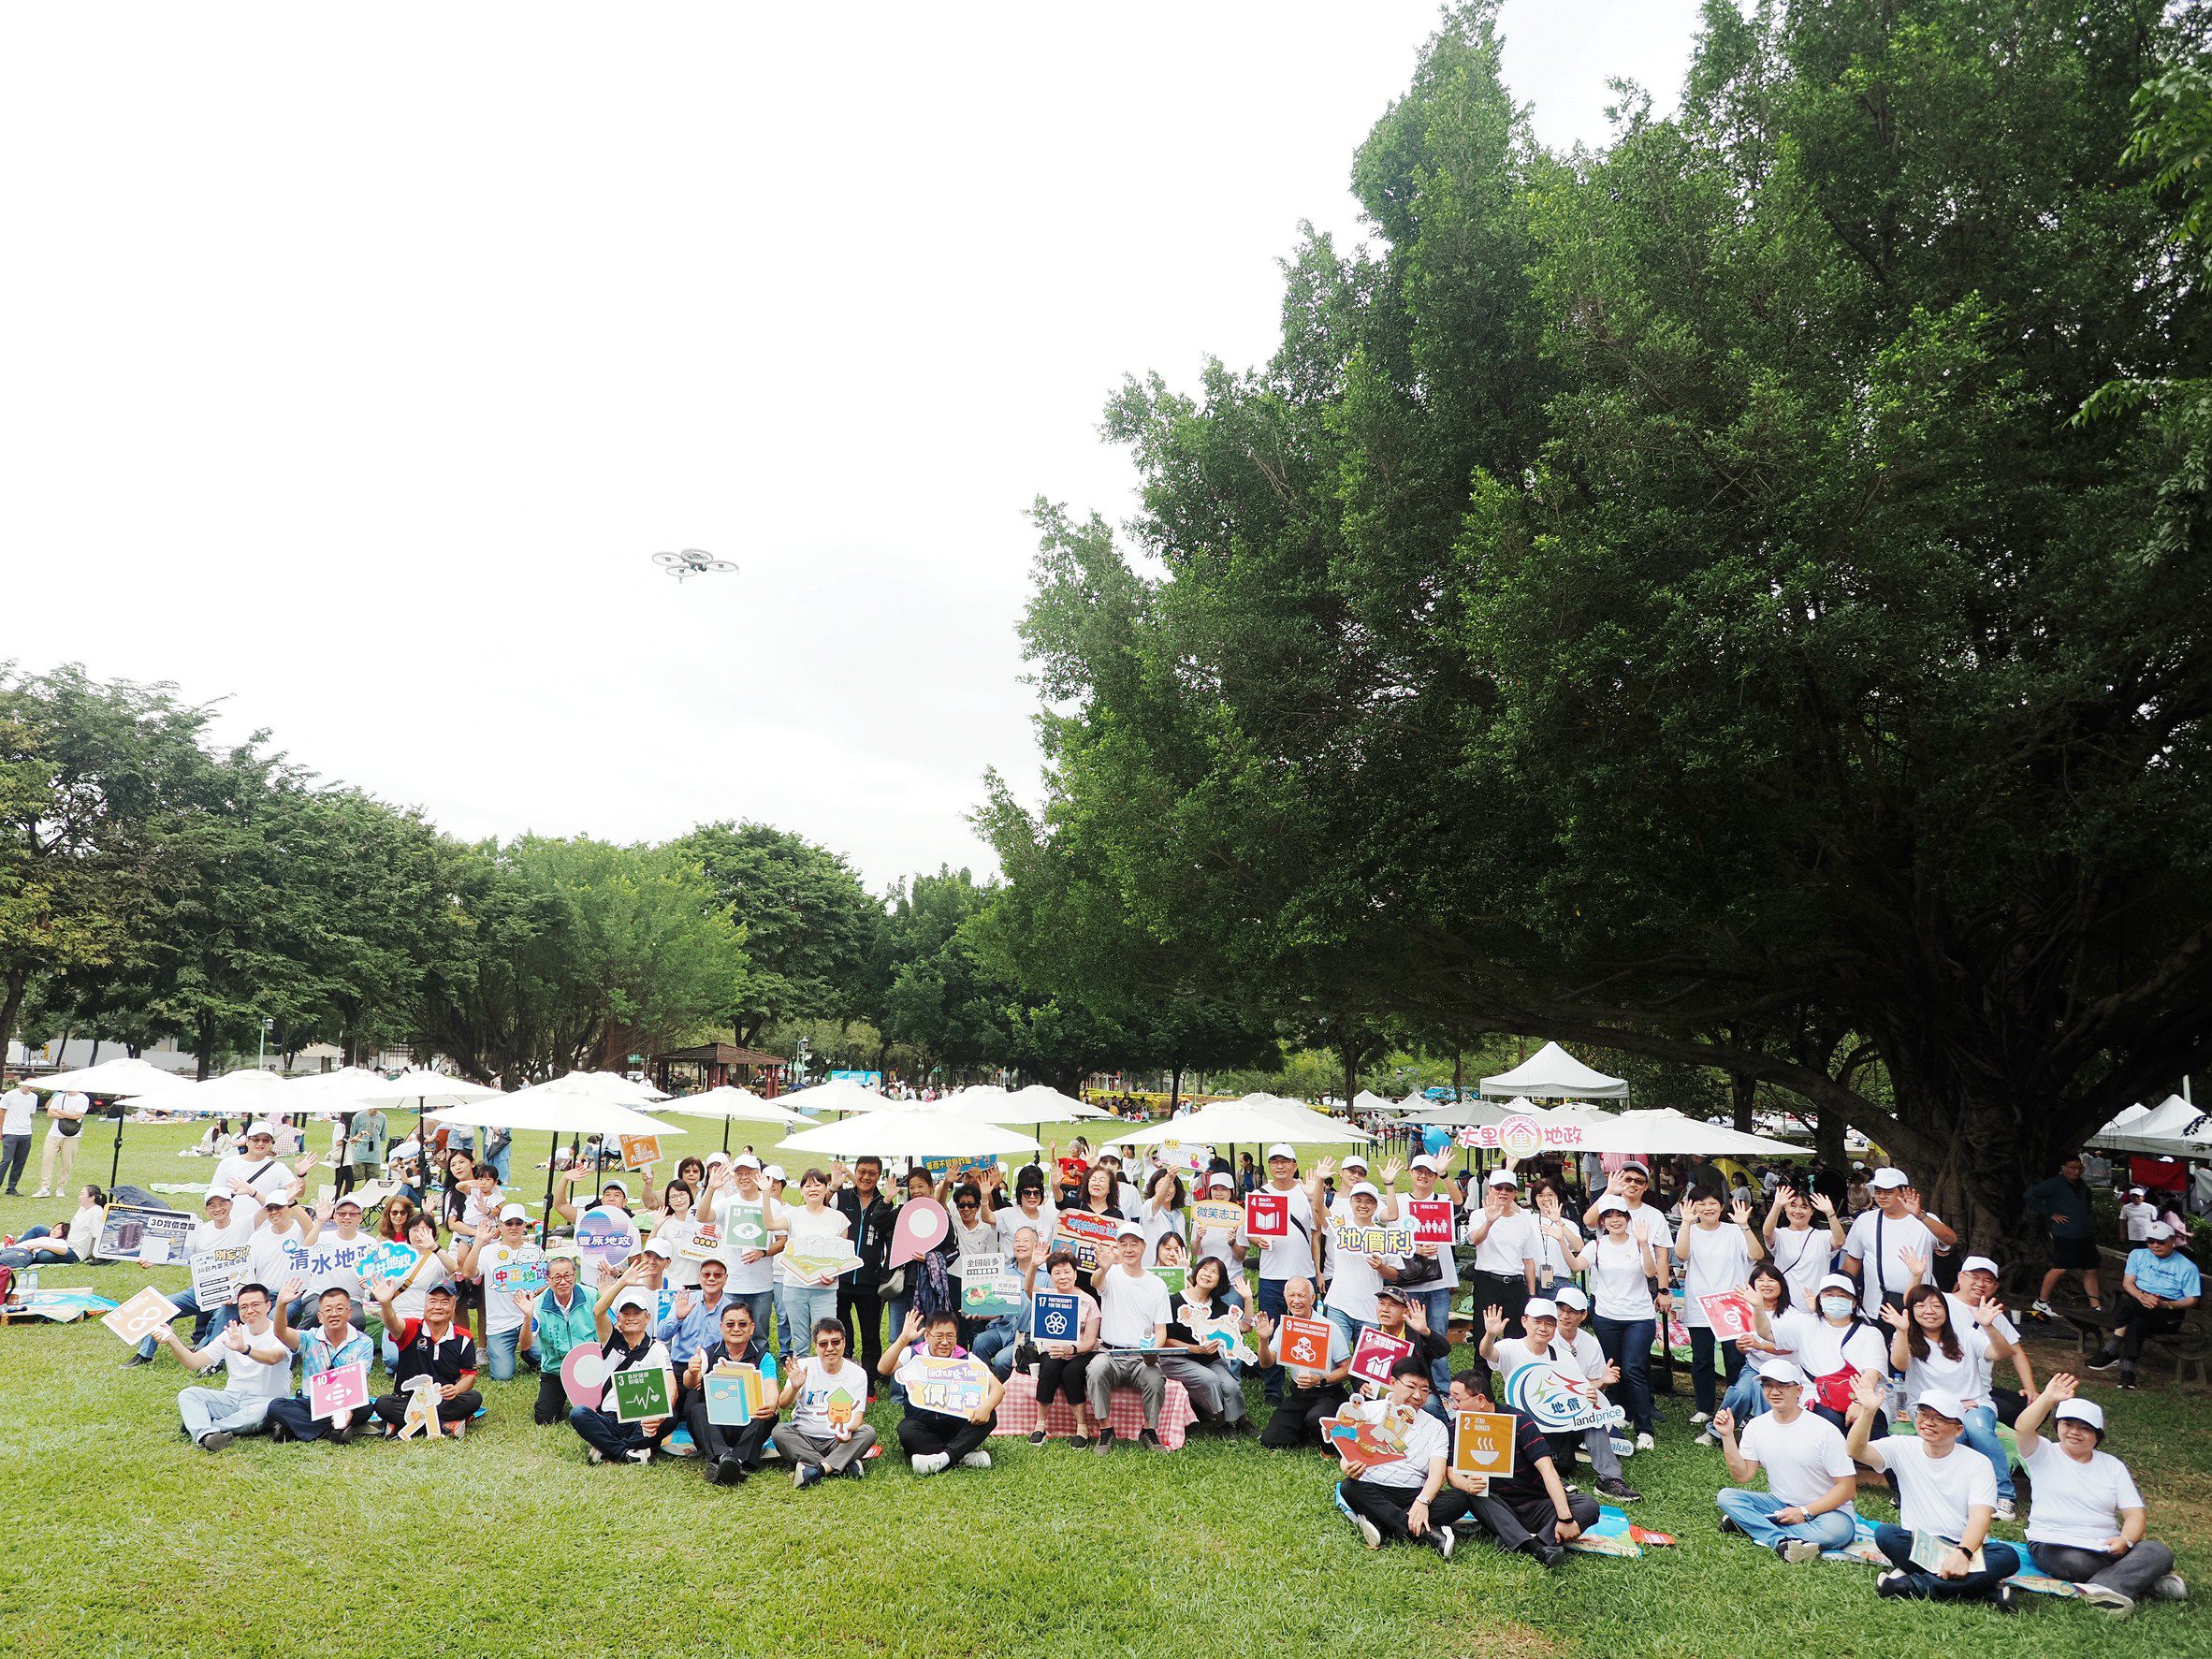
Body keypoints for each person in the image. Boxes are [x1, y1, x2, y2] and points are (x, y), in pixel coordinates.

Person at [2015, 1373, 2190, 1617]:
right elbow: (2023, 1427)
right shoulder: (2042, 1452)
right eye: (2067, 1425)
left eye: (2084, 1428)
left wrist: (2125, 1541)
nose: (2074, 1432)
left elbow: (2135, 1514)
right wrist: (2048, 1398)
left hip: (2106, 1548)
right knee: (2075, 1563)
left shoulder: (2112, 1465)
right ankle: (2143, 1584)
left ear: (2097, 1436)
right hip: (2054, 1544)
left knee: (2158, 1552)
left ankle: (2104, 1586)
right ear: (2058, 1427)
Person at [1842, 1375, 2020, 1608]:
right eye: (1923, 1415)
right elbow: (1855, 1450)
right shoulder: (1901, 1446)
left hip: (1965, 1545)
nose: (1928, 1422)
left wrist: (1963, 1553)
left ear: (1958, 1430)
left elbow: (1980, 1516)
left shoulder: (1978, 1463)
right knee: (1886, 1535)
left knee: (2007, 1556)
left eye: (1939, 1418)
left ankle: (1910, 1585)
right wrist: (1867, 1412)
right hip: (1920, 1544)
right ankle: (1984, 1589)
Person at [1443, 1371, 1598, 1567]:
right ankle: (1537, 1548)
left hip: (1537, 1504)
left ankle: (1519, 1540)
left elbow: (1547, 1469)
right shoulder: (1456, 1427)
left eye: (1457, 1400)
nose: (1453, 1406)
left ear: (1480, 1399)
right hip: (1497, 1505)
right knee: (1471, 1495)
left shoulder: (1518, 1420)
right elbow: (1450, 1472)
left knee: (1588, 1505)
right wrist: (1466, 1484)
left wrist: (1565, 1519)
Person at [1712, 1360, 1859, 1562]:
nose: (1774, 1392)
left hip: (1828, 1511)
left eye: (1782, 1385)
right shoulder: (1755, 1427)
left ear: (1799, 1391)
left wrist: (1804, 1512)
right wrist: (1727, 1436)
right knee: (1726, 1496)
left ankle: (1750, 1526)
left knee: (1836, 1532)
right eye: (1768, 1385)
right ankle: (1781, 1540)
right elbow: (1743, 1475)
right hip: (1780, 1504)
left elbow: (1847, 1489)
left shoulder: (1824, 1430)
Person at [1331, 1358, 1461, 1555]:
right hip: (1373, 1487)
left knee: (1461, 1498)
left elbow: (1437, 1474)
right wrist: (1347, 1467)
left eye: (1424, 1390)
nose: (1417, 1395)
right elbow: (1348, 1455)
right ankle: (1424, 1532)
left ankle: (1381, 1522)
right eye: (1411, 1387)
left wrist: (1422, 1502)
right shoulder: (1368, 1411)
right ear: (1393, 1383)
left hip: (1414, 1493)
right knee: (1349, 1488)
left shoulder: (1436, 1427)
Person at [1565, 1195, 1665, 1450]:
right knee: (1614, 1367)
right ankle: (1623, 1413)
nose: (1614, 1220)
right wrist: (1559, 1237)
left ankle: (1645, 1429)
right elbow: (1576, 1266)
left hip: (1639, 1316)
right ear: (1602, 1222)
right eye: (1608, 1216)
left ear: (1628, 1219)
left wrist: (1644, 1244)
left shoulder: (1639, 1243)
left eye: (1619, 1215)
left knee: (1633, 1368)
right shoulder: (1596, 1246)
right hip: (1607, 1316)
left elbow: (1651, 1272)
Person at [152, 1279, 293, 1450]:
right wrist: (173, 1340)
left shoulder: (281, 1333)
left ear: (268, 1305)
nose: (249, 1311)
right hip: (232, 1398)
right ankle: (207, 1436)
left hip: (266, 1401)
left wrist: (245, 1349)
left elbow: (273, 1358)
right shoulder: (231, 1334)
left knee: (260, 1413)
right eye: (243, 1307)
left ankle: (206, 1425)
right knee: (189, 1394)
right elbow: (193, 1362)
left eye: (255, 1305)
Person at [126, 1186, 256, 1367]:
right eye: (212, 1205)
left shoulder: (244, 1224)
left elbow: (270, 1209)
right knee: (163, 1305)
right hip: (201, 1291)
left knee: (223, 1316)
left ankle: (208, 1359)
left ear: (231, 1205)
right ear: (206, 1210)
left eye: (222, 1203)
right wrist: (154, 1261)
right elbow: (179, 1255)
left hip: (230, 1296)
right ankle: (145, 1354)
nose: (218, 1209)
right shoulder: (200, 1231)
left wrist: (253, 1192)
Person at [1676, 1189, 1766, 1440]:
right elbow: (1681, 1255)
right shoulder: (1690, 1231)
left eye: (1713, 1203)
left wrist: (1745, 1226)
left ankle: (1737, 1409)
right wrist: (1685, 1224)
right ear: (1693, 1208)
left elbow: (1757, 1256)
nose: (1708, 1208)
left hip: (1731, 1305)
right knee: (1701, 1359)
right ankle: (1704, 1407)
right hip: (1700, 1304)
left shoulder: (1734, 1231)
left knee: (1735, 1359)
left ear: (1722, 1206)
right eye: (1702, 1203)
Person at [880, 1307, 1006, 1473]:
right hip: (923, 1424)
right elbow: (884, 1368)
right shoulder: (913, 1354)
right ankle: (962, 1455)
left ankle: (940, 1459)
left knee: (990, 1417)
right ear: (927, 1336)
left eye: (950, 1336)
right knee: (906, 1430)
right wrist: (903, 1339)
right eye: (939, 1336)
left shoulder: (966, 1358)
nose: (945, 1342)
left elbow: (998, 1389)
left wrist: (986, 1408)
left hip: (957, 1424)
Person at [567, 1274, 676, 1464]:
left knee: (671, 1417)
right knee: (578, 1414)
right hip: (609, 1418)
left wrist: (659, 1416)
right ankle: (628, 1453)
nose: (631, 1318)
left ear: (647, 1317)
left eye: (637, 1313)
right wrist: (622, 1282)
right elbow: (598, 1311)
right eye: (626, 1314)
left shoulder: (657, 1348)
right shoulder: (611, 1340)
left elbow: (670, 1384)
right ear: (618, 1319)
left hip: (640, 1420)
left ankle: (607, 1449)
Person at [1085, 1219, 1171, 1452]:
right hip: (1110, 1353)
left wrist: (1153, 1351)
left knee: (1155, 1379)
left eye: (1134, 1244)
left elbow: (1160, 1329)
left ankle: (1149, 1430)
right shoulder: (1111, 1274)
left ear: (1144, 1246)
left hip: (1141, 1357)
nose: (1129, 1249)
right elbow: (1095, 1282)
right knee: (1096, 1369)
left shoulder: (1157, 1284)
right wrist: (1103, 1268)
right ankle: (1105, 1429)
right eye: (1123, 1244)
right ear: (1117, 1248)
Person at [2088, 1219, 2203, 1389]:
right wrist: (2142, 1297)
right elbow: (2128, 1283)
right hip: (2140, 1301)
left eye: (2161, 1241)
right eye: (2150, 1241)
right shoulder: (2137, 1255)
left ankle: (2111, 1349)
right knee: (2136, 1321)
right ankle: (2128, 1372)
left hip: (2168, 1311)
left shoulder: (2187, 1267)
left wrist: (2165, 1304)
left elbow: (2192, 1300)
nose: (2155, 1245)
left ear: (2172, 1240)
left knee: (2129, 1307)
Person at [1776, 1272, 1891, 1435]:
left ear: (1854, 1302)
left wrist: (1860, 1403)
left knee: (1869, 1428)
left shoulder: (1870, 1333)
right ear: (1820, 1299)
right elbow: (1767, 1333)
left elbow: (1871, 1374)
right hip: (1818, 1397)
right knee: (1829, 1425)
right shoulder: (1806, 1324)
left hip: (1862, 1397)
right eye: (1828, 1295)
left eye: (1842, 1296)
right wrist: (1758, 1307)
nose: (1835, 1300)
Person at [1251, 1143, 1320, 1406]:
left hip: (1303, 1273)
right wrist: (1257, 1240)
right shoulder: (1260, 1194)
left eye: (1285, 1161)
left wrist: (1318, 1271)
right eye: (1275, 1162)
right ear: (1270, 1166)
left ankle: (1305, 1380)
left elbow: (1318, 1230)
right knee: (1271, 1330)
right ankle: (1273, 1387)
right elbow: (1251, 1232)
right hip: (1271, 1275)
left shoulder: (1305, 1192)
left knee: (1306, 1330)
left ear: (1294, 1165)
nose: (1280, 1166)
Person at [369, 1279, 480, 1439]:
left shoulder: (464, 1337)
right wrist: (386, 1304)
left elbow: (469, 1375)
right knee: (383, 1403)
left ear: (454, 1306)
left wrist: (456, 1389)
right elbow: (392, 1324)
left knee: (474, 1398)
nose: (438, 1307)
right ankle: (446, 1425)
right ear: (425, 1304)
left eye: (445, 1302)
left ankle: (405, 1425)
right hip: (410, 1401)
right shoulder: (412, 1328)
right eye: (433, 1301)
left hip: (442, 1400)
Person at [773, 1317, 879, 1487]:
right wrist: (794, 1387)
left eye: (835, 1342)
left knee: (868, 1432)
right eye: (823, 1344)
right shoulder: (803, 1366)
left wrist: (849, 1430)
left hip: (838, 1441)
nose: (830, 1348)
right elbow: (783, 1404)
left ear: (844, 1342)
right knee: (779, 1431)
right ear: (815, 1346)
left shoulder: (858, 1373)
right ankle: (842, 1465)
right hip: (804, 1438)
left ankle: (817, 1470)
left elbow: (858, 1418)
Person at [267, 1283, 377, 1444]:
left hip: (346, 1402)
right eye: (328, 1310)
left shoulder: (364, 1342)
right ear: (319, 1317)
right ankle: (332, 1432)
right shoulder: (308, 1338)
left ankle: (293, 1428)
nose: (334, 1314)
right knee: (275, 1406)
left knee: (366, 1408)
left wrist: (348, 1409)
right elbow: (280, 1333)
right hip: (312, 1402)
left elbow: (360, 1380)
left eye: (340, 1309)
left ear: (349, 1313)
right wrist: (281, 1305)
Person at [681, 1301, 778, 1483]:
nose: (736, 1329)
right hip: (716, 1425)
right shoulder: (708, 1353)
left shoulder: (764, 1357)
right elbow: (689, 1383)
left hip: (748, 1423)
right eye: (730, 1324)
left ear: (752, 1328)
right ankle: (725, 1457)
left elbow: (770, 1385)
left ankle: (732, 1461)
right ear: (721, 1328)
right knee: (697, 1410)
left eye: (742, 1324)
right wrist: (692, 1372)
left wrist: (771, 1404)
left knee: (770, 1415)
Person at [1841, 1167, 1956, 1320]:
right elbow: (1853, 1259)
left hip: (1920, 1305)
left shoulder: (1925, 1220)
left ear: (1903, 1192)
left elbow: (1950, 1240)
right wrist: (1844, 1292)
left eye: (1888, 1192)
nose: (1881, 1196)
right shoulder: (1865, 1221)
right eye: (1878, 1191)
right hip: (1876, 1305)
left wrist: (1921, 1216)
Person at [1156, 1254, 1251, 1435]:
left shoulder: (1217, 1306)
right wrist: (1197, 1349)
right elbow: (1165, 1340)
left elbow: (1245, 1327)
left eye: (1214, 1272)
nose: (1207, 1274)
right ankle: (1222, 1422)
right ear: (1196, 1272)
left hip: (1209, 1359)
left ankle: (1242, 1420)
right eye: (1204, 1269)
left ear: (1219, 1282)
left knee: (1231, 1386)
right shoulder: (1174, 1301)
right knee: (1210, 1379)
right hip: (1176, 1359)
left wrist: (1247, 1299)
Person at [1254, 1277, 1353, 1448]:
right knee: (1271, 1440)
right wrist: (1263, 1340)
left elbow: (1348, 1368)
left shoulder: (1329, 1327)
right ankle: (1304, 1429)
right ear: (1285, 1297)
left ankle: (1315, 1426)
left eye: (1301, 1295)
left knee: (1316, 1419)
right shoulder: (1286, 1326)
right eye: (1291, 1295)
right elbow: (1266, 1363)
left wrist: (1320, 1380)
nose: (1296, 1301)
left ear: (1312, 1298)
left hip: (1328, 1392)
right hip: (1299, 1393)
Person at [1025, 1248, 1103, 1448]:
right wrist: (1033, 1265)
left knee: (1071, 1373)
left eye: (1067, 1272)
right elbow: (1028, 1289)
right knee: (1049, 1368)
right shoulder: (1046, 1296)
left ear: (1075, 1274)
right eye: (1057, 1273)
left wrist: (1072, 1350)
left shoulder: (1088, 1301)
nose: (1062, 1277)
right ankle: (1040, 1426)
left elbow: (1090, 1341)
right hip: (1052, 1351)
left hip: (1081, 1352)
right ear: (1051, 1277)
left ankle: (1082, 1429)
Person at [705, 1155, 787, 1341]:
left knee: (760, 1336)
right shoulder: (727, 1203)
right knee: (730, 1335)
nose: (744, 1177)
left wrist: (763, 1252)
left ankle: (759, 1361)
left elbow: (782, 1240)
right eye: (739, 1173)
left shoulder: (772, 1204)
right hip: (733, 1283)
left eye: (749, 1173)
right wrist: (710, 1188)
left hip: (762, 1285)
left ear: (758, 1174)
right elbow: (703, 1217)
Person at [1315, 1178, 1402, 1354]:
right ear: (1351, 1203)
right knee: (1336, 1356)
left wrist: (1381, 1267)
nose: (1363, 1205)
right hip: (1339, 1305)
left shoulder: (1385, 1236)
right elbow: (1318, 1208)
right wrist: (1319, 1180)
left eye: (1369, 1201)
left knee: (1366, 1361)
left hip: (1370, 1309)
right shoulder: (1340, 1228)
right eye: (1358, 1200)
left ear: (1376, 1206)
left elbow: (1395, 1274)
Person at [1946, 1255, 2034, 1422]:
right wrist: (1917, 1275)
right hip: (1951, 1387)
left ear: (1995, 1286)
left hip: (1982, 1388)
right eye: (1974, 1277)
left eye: (1987, 1280)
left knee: (2034, 1407)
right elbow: (1912, 1303)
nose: (1980, 1284)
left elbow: (2016, 1351)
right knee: (2009, 1412)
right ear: (1960, 1277)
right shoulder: (1941, 1303)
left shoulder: (1994, 1314)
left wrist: (2030, 1389)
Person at [832, 1154, 896, 1378]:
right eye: (862, 1172)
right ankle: (843, 1373)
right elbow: (817, 1212)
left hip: (870, 1281)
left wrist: (887, 1201)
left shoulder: (885, 1202)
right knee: (840, 1330)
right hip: (840, 1277)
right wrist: (832, 1187)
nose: (866, 1177)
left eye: (872, 1173)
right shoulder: (841, 1197)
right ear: (855, 1171)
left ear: (879, 1176)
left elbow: (885, 1230)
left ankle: (870, 1379)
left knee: (870, 1334)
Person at [777, 1168, 851, 1357]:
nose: (813, 1189)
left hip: (825, 1289)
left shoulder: (839, 1218)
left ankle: (826, 1372)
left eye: (818, 1185)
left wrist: (834, 1274)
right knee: (800, 1342)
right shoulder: (793, 1214)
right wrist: (764, 1195)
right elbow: (770, 1224)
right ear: (801, 1190)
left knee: (827, 1338)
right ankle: (802, 1374)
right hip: (795, 1286)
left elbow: (843, 1256)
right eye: (808, 1185)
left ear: (826, 1188)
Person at [518, 1253, 599, 1425]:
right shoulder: (538, 1304)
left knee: (600, 1411)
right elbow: (525, 1345)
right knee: (544, 1419)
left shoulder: (592, 1296)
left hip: (590, 1366)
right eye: (557, 1277)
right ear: (547, 1279)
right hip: (556, 1369)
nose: (563, 1282)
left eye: (568, 1276)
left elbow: (613, 1327)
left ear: (575, 1275)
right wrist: (528, 1317)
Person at [2025, 1153, 2103, 1319]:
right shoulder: (2054, 1184)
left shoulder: (2082, 1185)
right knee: (2060, 1267)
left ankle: (2095, 1306)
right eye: (2072, 1168)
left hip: (2085, 1233)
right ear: (2063, 1168)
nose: (2076, 1171)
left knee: (2090, 1268)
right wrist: (2050, 1214)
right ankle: (2042, 1301)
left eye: (2079, 1168)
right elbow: (2030, 1195)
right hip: (2065, 1234)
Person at [1463, 1170, 1539, 1335]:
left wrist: (1532, 1294)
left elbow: (1528, 1260)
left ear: (1515, 1194)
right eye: (1499, 1188)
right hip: (1488, 1281)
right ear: (1489, 1190)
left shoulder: (1523, 1220)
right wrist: (1489, 1222)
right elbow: (1475, 1239)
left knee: (1517, 1335)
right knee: (1483, 1333)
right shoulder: (1479, 1215)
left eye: (1509, 1189)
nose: (1503, 1192)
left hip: (1515, 1284)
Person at [1763, 1183, 1845, 1312]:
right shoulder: (1780, 1234)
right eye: (1793, 1205)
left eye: (1804, 1207)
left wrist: (1830, 1213)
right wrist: (1777, 1205)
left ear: (1812, 1211)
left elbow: (1840, 1241)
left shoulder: (1823, 1236)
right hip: (1785, 1305)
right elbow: (1767, 1233)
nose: (1798, 1211)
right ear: (1785, 1208)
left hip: (1815, 1306)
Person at [656, 1251, 737, 1372]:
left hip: (716, 1368)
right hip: (682, 1365)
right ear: (699, 1277)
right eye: (706, 1274)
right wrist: (678, 1318)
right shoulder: (685, 1300)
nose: (711, 1278)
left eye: (717, 1275)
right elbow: (662, 1335)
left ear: (726, 1279)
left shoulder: (732, 1309)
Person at [0, 1183, 104, 1268]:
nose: (79, 1197)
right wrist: (58, 1231)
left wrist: (98, 1256)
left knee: (44, 1256)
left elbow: (99, 1236)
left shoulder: (97, 1211)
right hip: (64, 1241)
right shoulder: (83, 1208)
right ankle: (14, 1248)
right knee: (38, 1229)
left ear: (92, 1198)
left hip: (74, 1252)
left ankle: (18, 1255)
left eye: (82, 1194)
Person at [31, 1084, 89, 1199]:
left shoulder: (83, 1098)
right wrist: (68, 1114)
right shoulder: (59, 1097)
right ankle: (44, 1187)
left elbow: (78, 1115)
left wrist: (60, 1111)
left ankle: (61, 1187)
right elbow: (50, 1114)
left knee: (67, 1162)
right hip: (54, 1134)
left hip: (72, 1135)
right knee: (47, 1159)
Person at [338, 1104, 386, 1200]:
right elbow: (353, 1134)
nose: (375, 1109)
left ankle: (366, 1199)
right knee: (351, 1180)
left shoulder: (382, 1117)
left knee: (372, 1181)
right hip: (359, 1154)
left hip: (375, 1155)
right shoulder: (359, 1116)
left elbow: (382, 1136)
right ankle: (346, 1198)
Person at [1, 1076, 36, 1195]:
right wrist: (1, 1129)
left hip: (26, 1133)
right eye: (29, 1082)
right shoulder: (10, 1095)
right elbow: (2, 1113)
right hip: (11, 1132)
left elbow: (30, 1114)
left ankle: (11, 1188)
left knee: (20, 1161)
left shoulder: (34, 1097)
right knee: (7, 1160)